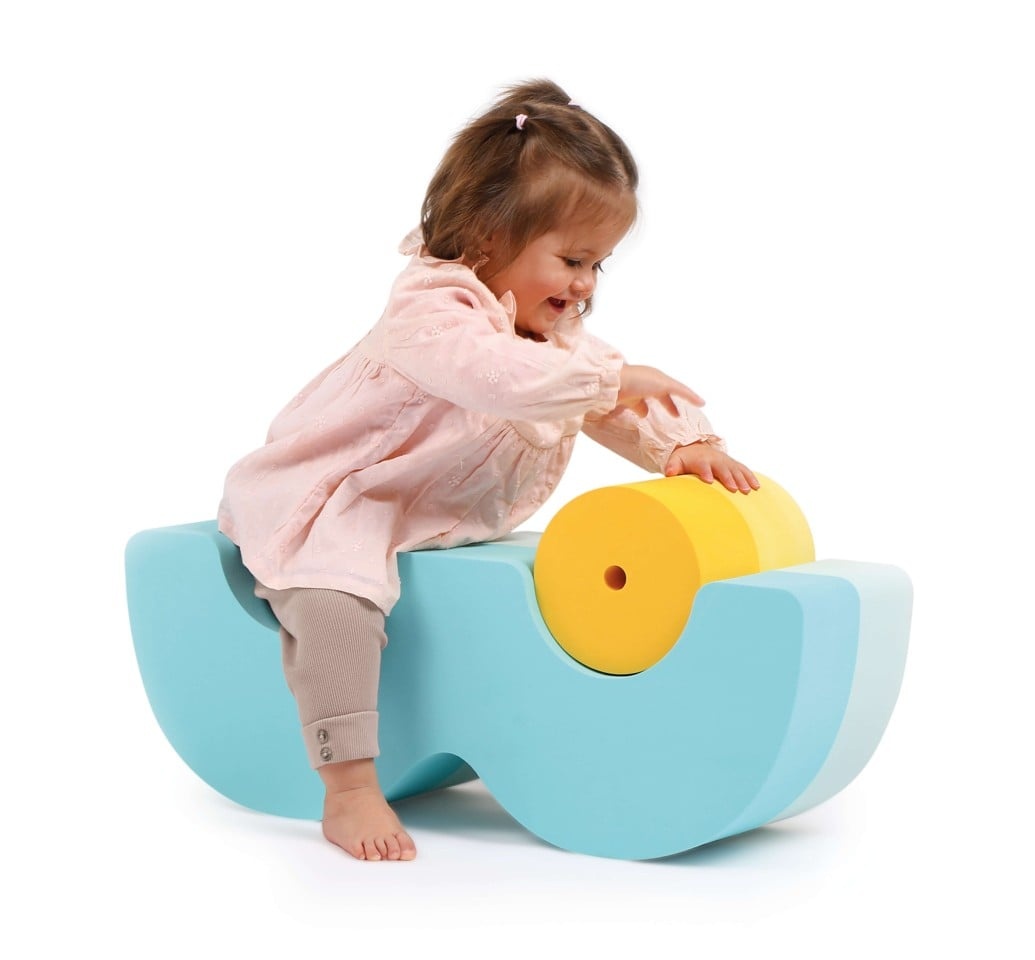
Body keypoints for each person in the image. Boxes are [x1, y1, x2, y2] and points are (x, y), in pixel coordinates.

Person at [218, 79, 759, 863]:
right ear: (485, 238)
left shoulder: (548, 342)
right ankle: (348, 788)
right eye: (572, 259)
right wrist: (613, 380)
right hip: (337, 498)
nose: (584, 285)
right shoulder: (431, 312)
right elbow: (501, 378)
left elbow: (593, 394)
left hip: (423, 522)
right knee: (336, 601)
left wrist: (680, 445)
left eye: (599, 266)